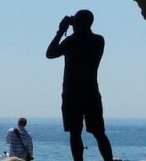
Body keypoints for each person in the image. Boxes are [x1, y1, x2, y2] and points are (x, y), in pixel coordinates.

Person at [46, 9, 113, 161]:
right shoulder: (99, 40)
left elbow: (50, 53)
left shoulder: (72, 41)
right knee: (99, 132)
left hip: (72, 92)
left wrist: (61, 30)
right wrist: (75, 25)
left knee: (75, 132)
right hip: (91, 91)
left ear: (77, 23)